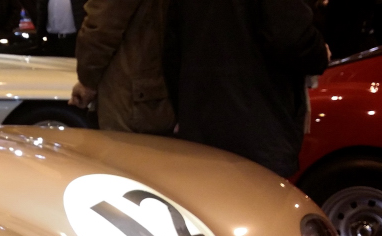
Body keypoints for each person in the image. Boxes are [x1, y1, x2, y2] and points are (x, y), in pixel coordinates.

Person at [165, 0, 330, 177]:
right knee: (258, 192)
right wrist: (320, 53)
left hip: (201, 128)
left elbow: (172, 51)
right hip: (261, 128)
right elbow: (290, 37)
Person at [68, 0, 175, 135]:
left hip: (128, 94)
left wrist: (87, 81)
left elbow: (100, 28)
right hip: (150, 90)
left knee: (122, 146)